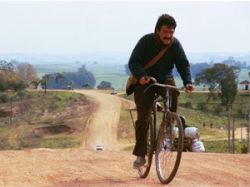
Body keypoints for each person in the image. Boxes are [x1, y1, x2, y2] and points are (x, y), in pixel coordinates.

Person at [128, 14, 194, 168]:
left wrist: (188, 82)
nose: (168, 35)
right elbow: (133, 62)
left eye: (171, 32)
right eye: (165, 31)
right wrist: (141, 76)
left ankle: (168, 125)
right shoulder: (145, 41)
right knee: (143, 118)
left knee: (174, 92)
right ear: (157, 30)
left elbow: (183, 65)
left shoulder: (175, 45)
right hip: (146, 80)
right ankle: (140, 155)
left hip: (165, 79)